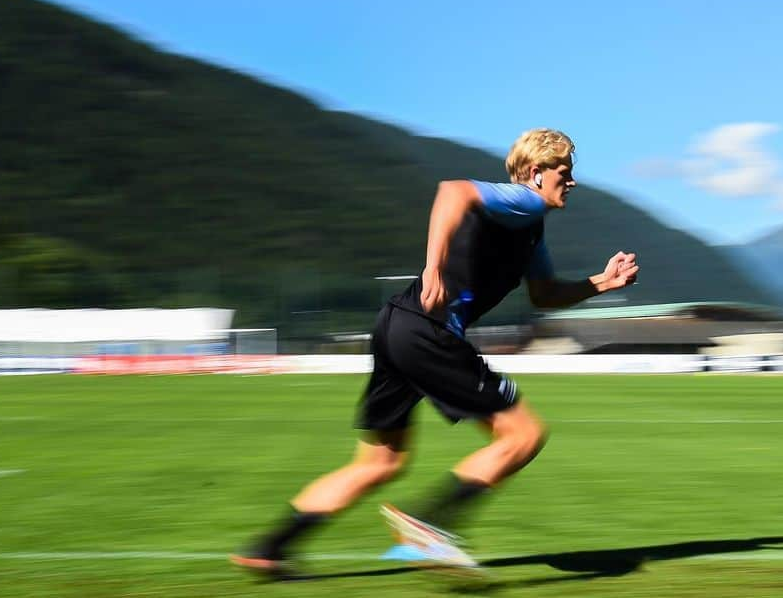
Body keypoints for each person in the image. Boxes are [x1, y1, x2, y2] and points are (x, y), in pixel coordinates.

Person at [230, 128, 639, 574]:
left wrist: (602, 282)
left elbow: (544, 294)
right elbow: (453, 192)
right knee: (523, 435)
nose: (572, 181)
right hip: (429, 329)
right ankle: (429, 524)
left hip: (397, 325)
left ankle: (268, 546)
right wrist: (434, 267)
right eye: (565, 171)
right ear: (537, 172)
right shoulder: (522, 199)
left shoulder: (530, 227)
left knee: (379, 461)